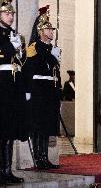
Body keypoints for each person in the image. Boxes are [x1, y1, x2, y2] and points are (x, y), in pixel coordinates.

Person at [22, 9, 61, 169]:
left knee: (47, 125)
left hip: (50, 90)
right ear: (40, 31)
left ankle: (45, 157)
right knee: (37, 125)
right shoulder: (34, 48)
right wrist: (28, 92)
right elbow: (28, 70)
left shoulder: (52, 49)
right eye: (48, 29)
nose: (51, 32)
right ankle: (38, 158)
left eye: (51, 29)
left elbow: (55, 73)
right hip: (38, 90)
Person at [0, 0, 27, 184]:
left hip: (13, 84)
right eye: (7, 13)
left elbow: (20, 62)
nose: (10, 16)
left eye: (12, 14)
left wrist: (20, 50)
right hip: (1, 83)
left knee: (10, 129)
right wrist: (12, 47)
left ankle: (7, 171)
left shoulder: (13, 34)